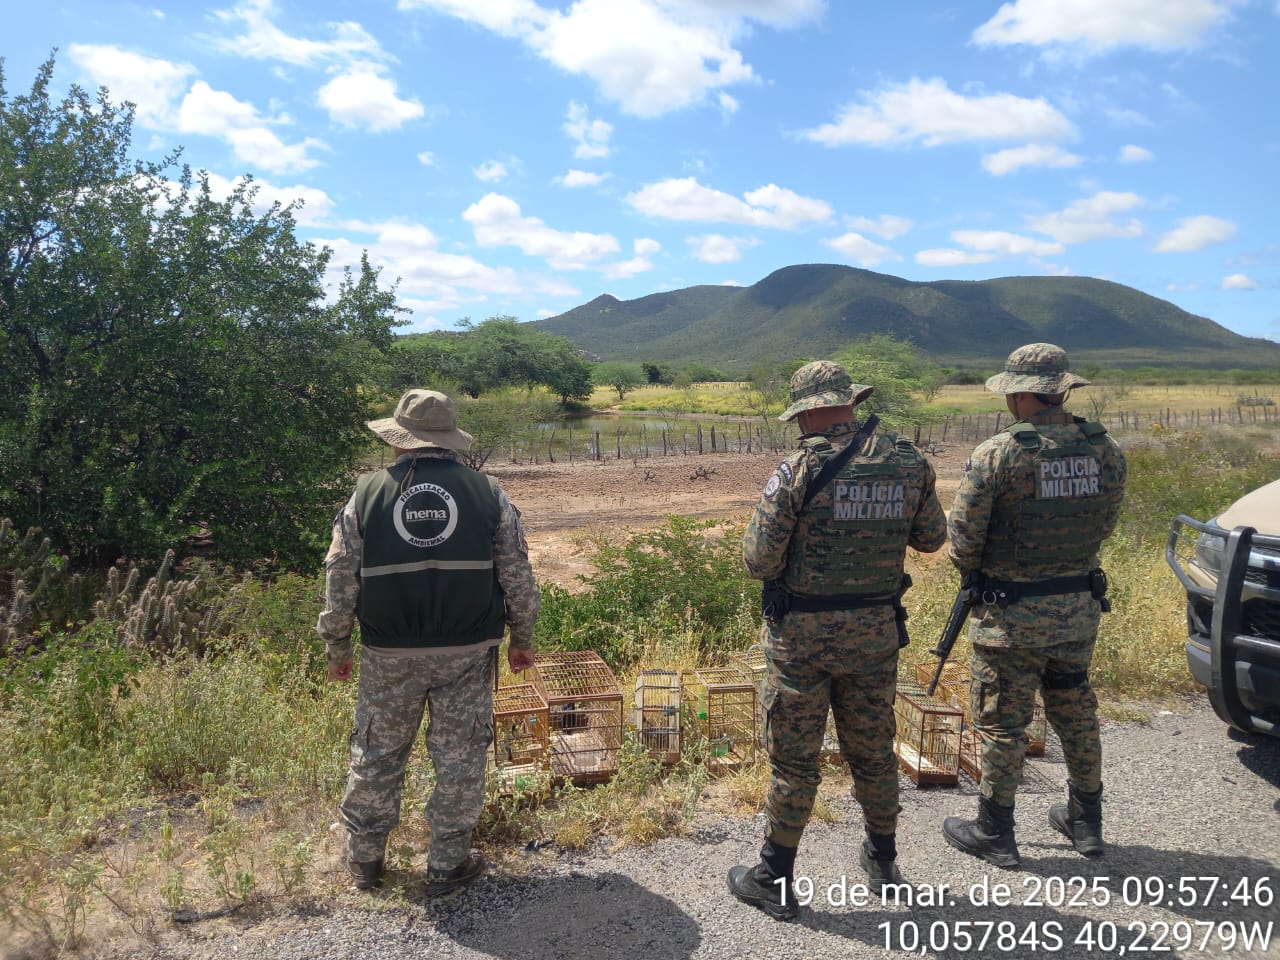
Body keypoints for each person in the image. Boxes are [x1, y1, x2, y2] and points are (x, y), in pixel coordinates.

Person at [729, 360, 946, 921]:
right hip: (874, 636)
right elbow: (931, 539)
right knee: (873, 752)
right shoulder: (908, 460)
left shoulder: (800, 468)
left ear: (805, 412)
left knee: (795, 761)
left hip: (801, 643)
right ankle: (883, 863)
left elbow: (759, 561)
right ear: (851, 401)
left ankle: (775, 877)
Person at [317, 388, 540, 894]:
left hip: (388, 652)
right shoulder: (488, 493)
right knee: (460, 755)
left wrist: (338, 646)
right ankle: (447, 864)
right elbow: (518, 575)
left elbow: (340, 577)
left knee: (377, 750)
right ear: (449, 439)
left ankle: (365, 861)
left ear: (400, 439)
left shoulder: (365, 495)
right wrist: (522, 637)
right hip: (467, 651)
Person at [941, 343, 1126, 869]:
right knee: (1075, 708)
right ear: (1061, 390)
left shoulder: (999, 453)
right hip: (1077, 608)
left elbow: (963, 542)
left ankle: (995, 831)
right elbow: (1106, 525)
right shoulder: (1105, 448)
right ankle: (1086, 822)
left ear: (1020, 395)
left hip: (1011, 618)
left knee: (1003, 722)